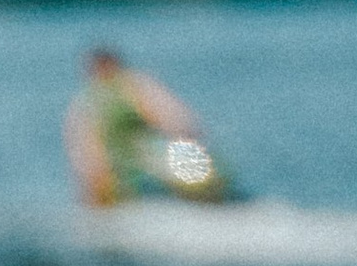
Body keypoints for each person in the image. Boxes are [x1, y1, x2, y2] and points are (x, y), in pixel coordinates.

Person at [64, 45, 232, 207]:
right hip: (143, 163)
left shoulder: (87, 101)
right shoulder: (132, 86)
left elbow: (87, 156)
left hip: (129, 172)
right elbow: (177, 120)